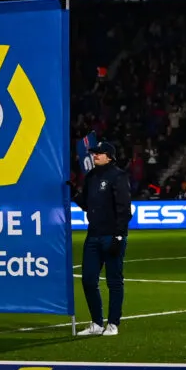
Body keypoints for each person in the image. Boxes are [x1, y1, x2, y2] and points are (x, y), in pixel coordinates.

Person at [74, 141, 132, 336]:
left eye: (99, 153)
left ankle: (113, 323)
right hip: (93, 235)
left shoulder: (119, 176)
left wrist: (119, 235)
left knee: (114, 281)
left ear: (109, 156)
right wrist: (74, 193)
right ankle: (97, 323)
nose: (95, 155)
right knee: (88, 280)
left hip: (111, 235)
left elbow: (124, 209)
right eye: (94, 153)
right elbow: (86, 205)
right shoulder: (91, 177)